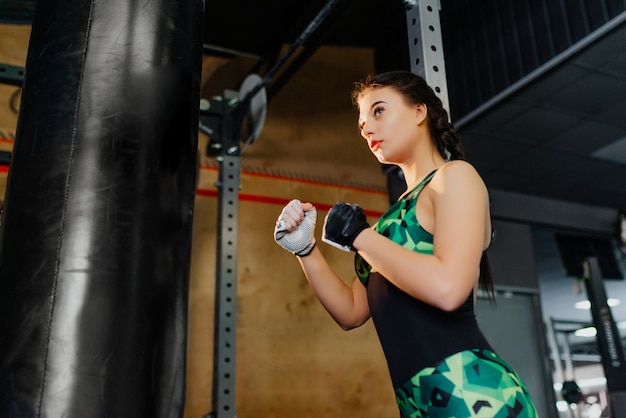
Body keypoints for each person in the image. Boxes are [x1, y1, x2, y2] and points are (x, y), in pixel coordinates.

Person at [273, 71, 537, 417]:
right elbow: (352, 312)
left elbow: (448, 289)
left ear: (418, 112)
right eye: (362, 121)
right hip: (416, 402)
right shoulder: (387, 223)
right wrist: (305, 249)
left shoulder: (454, 177)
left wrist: (359, 236)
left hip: (471, 392)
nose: (366, 128)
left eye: (378, 111)